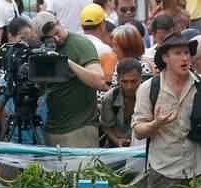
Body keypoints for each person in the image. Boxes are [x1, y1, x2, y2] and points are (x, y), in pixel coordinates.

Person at [132, 33, 201, 188]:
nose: (184, 58)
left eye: (187, 53)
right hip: (163, 171)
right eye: (178, 53)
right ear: (165, 58)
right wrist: (156, 124)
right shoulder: (149, 88)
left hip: (198, 171)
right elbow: (138, 131)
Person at [32, 12, 108, 147]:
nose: (57, 38)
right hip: (53, 129)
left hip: (80, 127)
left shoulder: (80, 44)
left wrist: (66, 62)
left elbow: (100, 82)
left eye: (57, 32)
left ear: (60, 23)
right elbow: (42, 90)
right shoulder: (44, 52)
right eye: (50, 38)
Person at [100, 58, 143, 147]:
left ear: (140, 78)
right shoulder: (110, 98)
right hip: (116, 147)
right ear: (118, 79)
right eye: (124, 81)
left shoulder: (149, 95)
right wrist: (117, 140)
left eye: (133, 81)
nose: (129, 87)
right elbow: (106, 126)